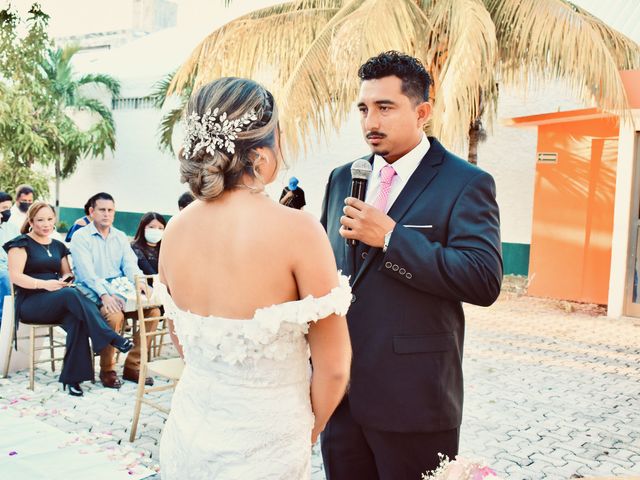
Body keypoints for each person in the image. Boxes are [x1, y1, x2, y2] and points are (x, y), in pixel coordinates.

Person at [156, 77, 352, 479]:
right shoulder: (299, 231)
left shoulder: (174, 230)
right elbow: (334, 367)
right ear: (261, 155)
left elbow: (185, 344)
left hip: (188, 434)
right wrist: (305, 431)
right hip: (267, 443)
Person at [320, 51, 503, 479]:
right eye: (364, 108)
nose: (370, 122)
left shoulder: (465, 183)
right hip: (340, 394)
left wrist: (391, 238)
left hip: (414, 399)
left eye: (385, 107)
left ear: (422, 112)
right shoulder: (342, 177)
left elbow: (483, 279)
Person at [3, 202, 132, 396]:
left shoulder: (58, 246)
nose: (46, 224)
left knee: (77, 320)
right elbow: (15, 276)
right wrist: (44, 284)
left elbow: (67, 273)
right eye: (40, 220)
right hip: (31, 302)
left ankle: (73, 379)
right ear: (30, 221)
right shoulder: (20, 243)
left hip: (57, 298)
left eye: (49, 219)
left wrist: (65, 280)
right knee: (71, 294)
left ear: (54, 219)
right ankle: (111, 336)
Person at [70, 192, 161, 389]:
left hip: (119, 291)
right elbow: (87, 275)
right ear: (92, 212)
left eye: (110, 210)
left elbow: (130, 265)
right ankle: (107, 369)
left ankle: (133, 366)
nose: (106, 214)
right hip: (92, 292)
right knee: (113, 316)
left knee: (153, 312)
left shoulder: (119, 236)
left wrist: (140, 283)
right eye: (102, 210)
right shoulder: (80, 237)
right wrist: (105, 295)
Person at [0, 192, 20, 324]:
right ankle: (5, 321)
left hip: (12, 267)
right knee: (6, 277)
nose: (7, 212)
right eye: (3, 209)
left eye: (9, 208)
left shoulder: (12, 228)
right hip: (3, 272)